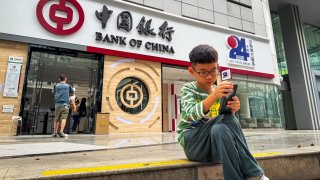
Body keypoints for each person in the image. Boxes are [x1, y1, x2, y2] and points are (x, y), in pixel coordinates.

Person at [177, 45, 268, 180]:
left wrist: (233, 109)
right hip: (194, 144)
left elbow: (223, 122)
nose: (209, 76)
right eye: (203, 72)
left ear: (217, 67)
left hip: (214, 145)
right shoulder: (188, 89)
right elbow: (190, 113)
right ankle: (255, 174)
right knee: (226, 118)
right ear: (192, 71)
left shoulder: (219, 90)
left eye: (213, 71)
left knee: (221, 128)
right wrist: (214, 96)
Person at [52, 74, 74, 138]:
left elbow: (54, 92)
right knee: (64, 118)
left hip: (57, 104)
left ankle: (55, 132)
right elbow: (72, 93)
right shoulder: (68, 86)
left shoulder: (56, 86)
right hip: (65, 104)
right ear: (65, 79)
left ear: (59, 79)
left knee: (56, 119)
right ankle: (61, 131)